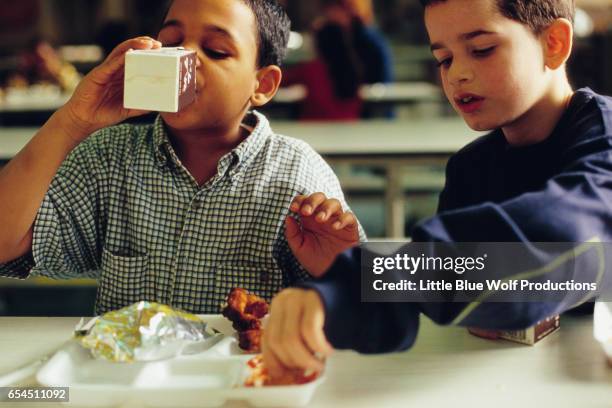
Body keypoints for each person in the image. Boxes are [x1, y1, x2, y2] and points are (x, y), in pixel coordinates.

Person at [262, 0, 612, 376]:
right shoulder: (470, 169)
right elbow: (459, 292)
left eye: (482, 50)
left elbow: (564, 245)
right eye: (444, 59)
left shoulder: (604, 143)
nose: (457, 73)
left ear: (554, 43)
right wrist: (369, 275)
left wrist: (373, 282)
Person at [0, 0, 364, 315]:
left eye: (217, 50)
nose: (184, 59)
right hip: (128, 390)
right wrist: (72, 122)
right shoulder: (110, 157)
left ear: (262, 85)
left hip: (240, 388)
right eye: (171, 43)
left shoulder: (295, 176)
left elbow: (362, 313)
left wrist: (339, 268)